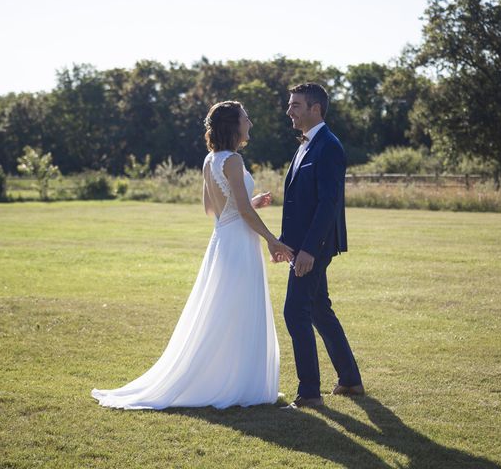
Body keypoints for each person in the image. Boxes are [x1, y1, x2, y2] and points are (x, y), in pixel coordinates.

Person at [91, 101, 293, 410]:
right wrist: (273, 240)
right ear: (233, 125)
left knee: (225, 308)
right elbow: (238, 211)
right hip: (238, 243)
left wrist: (249, 202)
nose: (250, 123)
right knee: (238, 309)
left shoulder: (209, 160)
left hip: (223, 240)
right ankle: (236, 384)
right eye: (245, 119)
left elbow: (213, 209)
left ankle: (227, 377)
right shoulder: (234, 161)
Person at [279, 83, 364, 409]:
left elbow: (328, 204)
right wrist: (287, 243)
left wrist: (309, 250)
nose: (290, 111)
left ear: (315, 109)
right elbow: (299, 201)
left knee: (295, 311)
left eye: (296, 105)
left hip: (314, 248)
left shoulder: (329, 146)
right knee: (318, 310)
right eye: (290, 105)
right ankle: (350, 380)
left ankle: (310, 392)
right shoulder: (305, 145)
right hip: (301, 245)